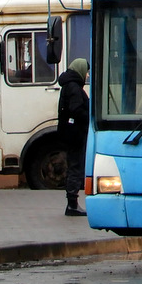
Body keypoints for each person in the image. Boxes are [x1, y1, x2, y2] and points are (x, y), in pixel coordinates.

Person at [57, 58, 89, 216]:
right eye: (86, 72)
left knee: (73, 165)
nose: (87, 75)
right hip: (75, 133)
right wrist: (89, 117)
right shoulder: (74, 88)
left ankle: (72, 203)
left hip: (69, 132)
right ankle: (72, 204)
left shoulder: (68, 85)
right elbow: (76, 110)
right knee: (75, 167)